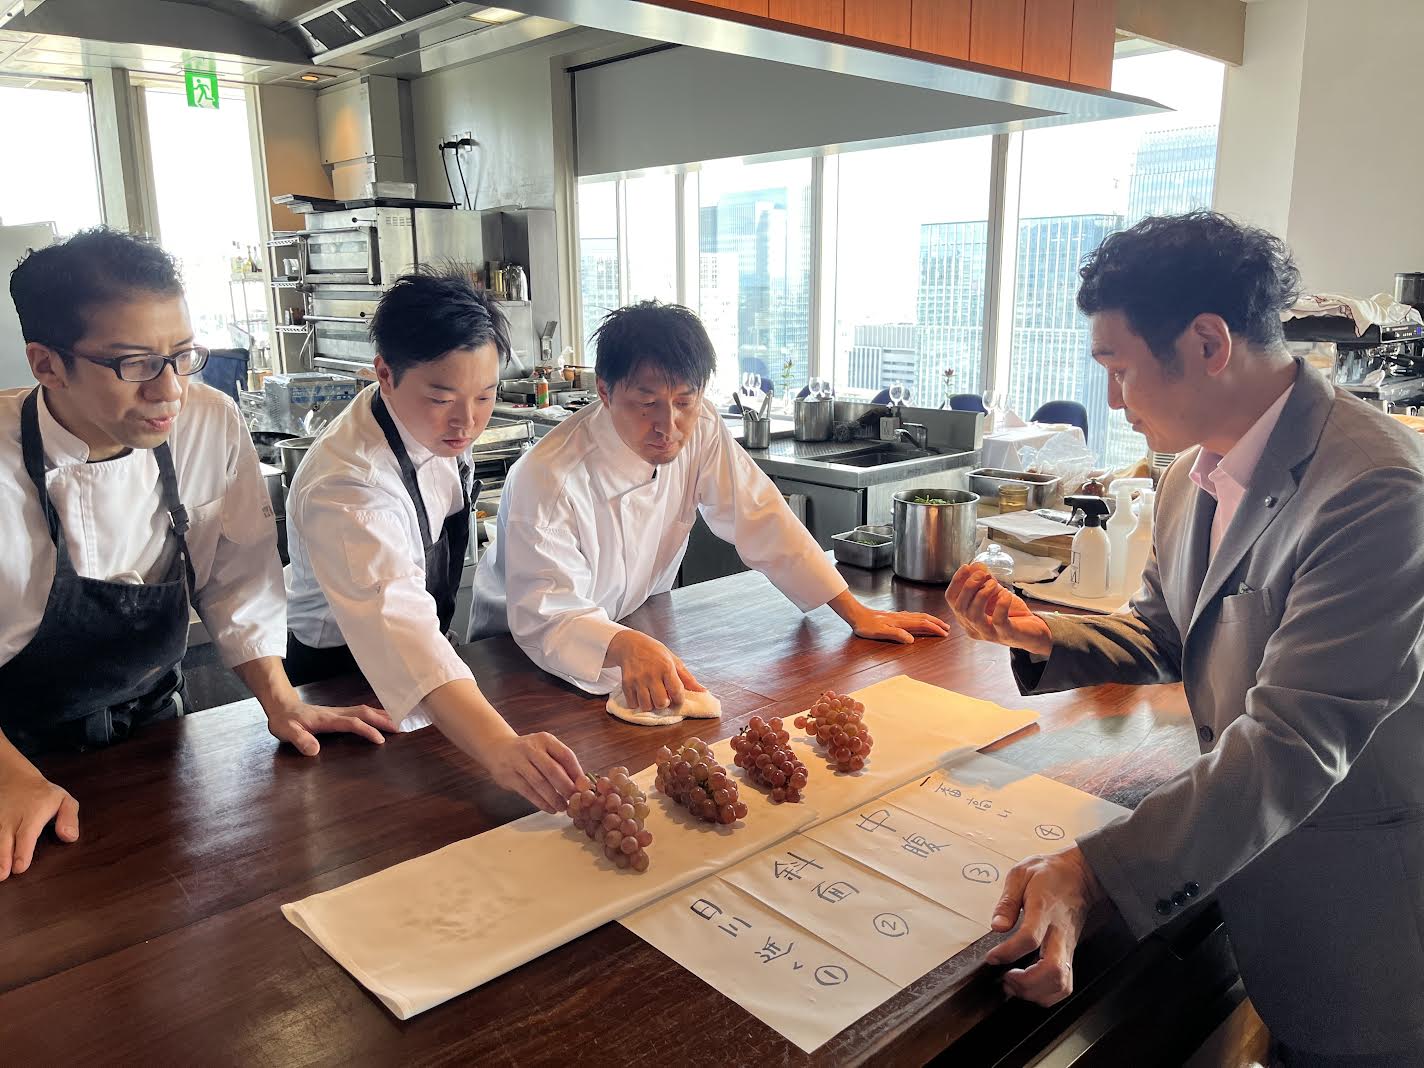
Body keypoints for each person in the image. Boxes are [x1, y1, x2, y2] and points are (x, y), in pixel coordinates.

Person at [947, 212, 1424, 1066]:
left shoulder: (1376, 489)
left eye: (1119, 368)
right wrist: (1043, 632)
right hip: (1259, 880)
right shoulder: (1188, 476)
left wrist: (1093, 872)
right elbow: (1169, 631)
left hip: (1365, 923)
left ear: (1209, 342)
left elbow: (1294, 742)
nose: (1113, 399)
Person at [0, 228, 391, 882]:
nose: (169, 390)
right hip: (15, 746)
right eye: (133, 363)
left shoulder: (209, 421)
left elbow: (234, 577)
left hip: (155, 732)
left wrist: (280, 698)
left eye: (181, 355)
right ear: (46, 364)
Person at [472, 300, 949, 710]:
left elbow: (759, 513)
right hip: (518, 654)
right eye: (646, 403)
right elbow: (548, 613)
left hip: (627, 628)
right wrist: (619, 644)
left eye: (685, 401)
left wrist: (853, 610)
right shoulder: (548, 477)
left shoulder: (700, 430)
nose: (668, 425)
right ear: (604, 390)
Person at [284, 268, 583, 814]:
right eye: (442, 398)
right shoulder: (348, 483)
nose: (467, 422)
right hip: (339, 686)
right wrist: (499, 747)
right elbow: (395, 623)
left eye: (485, 397)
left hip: (429, 669)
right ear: (385, 374)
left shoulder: (438, 429)